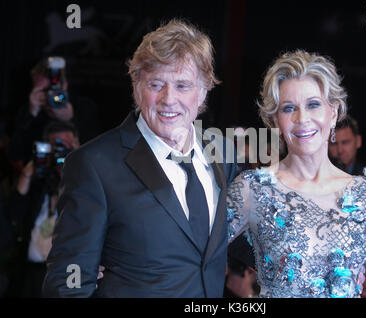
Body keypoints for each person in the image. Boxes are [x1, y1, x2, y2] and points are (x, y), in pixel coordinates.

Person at [42, 19, 237, 298]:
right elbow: (67, 283)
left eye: (183, 85)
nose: (169, 99)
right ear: (136, 87)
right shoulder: (94, 165)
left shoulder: (223, 154)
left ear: (203, 91)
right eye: (156, 84)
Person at [227, 50, 366, 298]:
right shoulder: (253, 188)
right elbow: (191, 253)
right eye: (289, 108)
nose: (302, 119)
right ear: (275, 120)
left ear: (333, 112)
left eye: (313, 104)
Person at [7, 120, 80, 297]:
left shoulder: (87, 181)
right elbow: (12, 215)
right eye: (56, 147)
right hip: (32, 273)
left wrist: (75, 163)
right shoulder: (38, 185)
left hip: (70, 274)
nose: (60, 152)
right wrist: (31, 170)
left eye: (66, 146)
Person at [8, 57, 101, 174]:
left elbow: (98, 154)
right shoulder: (28, 112)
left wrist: (72, 119)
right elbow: (15, 158)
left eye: (51, 89)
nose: (49, 95)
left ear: (65, 86)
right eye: (42, 90)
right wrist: (31, 115)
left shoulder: (83, 107)